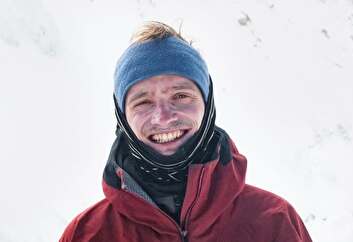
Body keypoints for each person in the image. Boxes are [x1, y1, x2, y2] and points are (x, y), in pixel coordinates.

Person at [59, 21, 312, 242]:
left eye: (181, 95)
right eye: (143, 102)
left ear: (208, 104)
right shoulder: (88, 234)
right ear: (122, 118)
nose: (164, 117)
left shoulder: (274, 223)